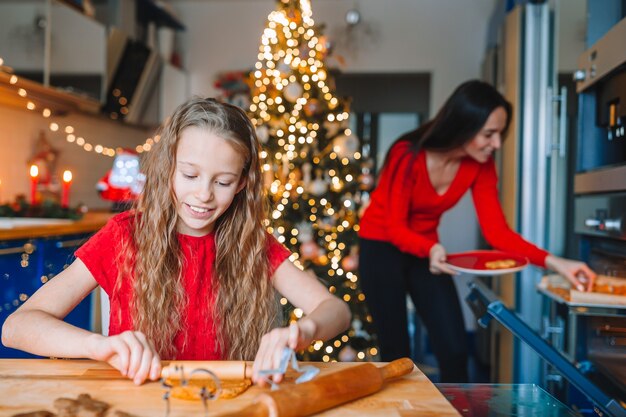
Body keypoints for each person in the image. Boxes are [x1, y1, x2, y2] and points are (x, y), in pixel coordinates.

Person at [2, 98, 351, 386]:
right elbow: (17, 327)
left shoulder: (253, 244)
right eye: (190, 175)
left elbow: (337, 311)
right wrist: (99, 346)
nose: (203, 195)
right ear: (168, 166)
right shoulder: (124, 236)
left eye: (223, 181)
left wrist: (302, 331)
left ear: (243, 182)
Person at [357, 80, 596, 383]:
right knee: (396, 352)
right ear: (463, 125)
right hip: (382, 247)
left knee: (455, 348)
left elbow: (499, 234)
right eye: (489, 134)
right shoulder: (407, 154)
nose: (497, 144)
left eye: (499, 134)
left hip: (430, 251)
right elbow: (394, 226)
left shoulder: (481, 165)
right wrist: (429, 249)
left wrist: (557, 262)